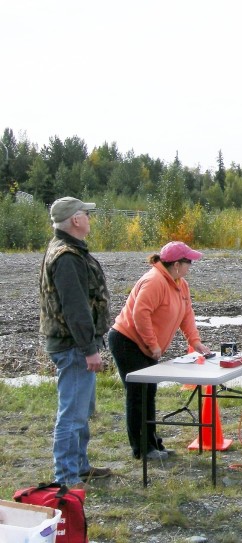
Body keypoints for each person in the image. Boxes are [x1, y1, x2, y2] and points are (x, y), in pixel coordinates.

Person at [108, 241, 214, 460]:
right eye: (188, 262)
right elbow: (140, 314)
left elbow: (187, 314)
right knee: (138, 395)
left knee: (150, 393)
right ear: (176, 264)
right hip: (127, 342)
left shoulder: (180, 284)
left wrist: (196, 342)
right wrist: (153, 344)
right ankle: (142, 450)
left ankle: (153, 444)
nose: (190, 266)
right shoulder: (154, 281)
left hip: (144, 346)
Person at [39, 196, 113, 487]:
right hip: (73, 346)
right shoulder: (67, 256)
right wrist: (89, 349)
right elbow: (76, 309)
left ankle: (79, 467)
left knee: (80, 412)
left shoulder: (67, 250)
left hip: (74, 344)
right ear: (75, 220)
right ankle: (66, 479)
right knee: (71, 415)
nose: (89, 217)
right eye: (86, 213)